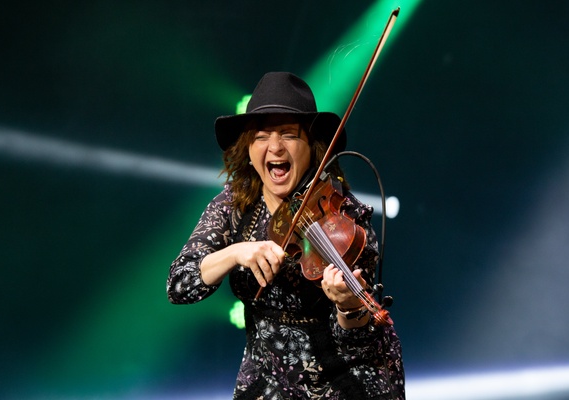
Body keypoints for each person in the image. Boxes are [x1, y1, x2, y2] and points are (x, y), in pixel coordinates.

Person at [167, 72, 404, 400]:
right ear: (248, 149)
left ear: (312, 146)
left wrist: (348, 305)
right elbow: (180, 286)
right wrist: (237, 252)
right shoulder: (234, 206)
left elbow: (357, 338)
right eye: (261, 136)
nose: (275, 147)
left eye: (289, 134)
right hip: (268, 377)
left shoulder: (343, 213)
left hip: (344, 376)